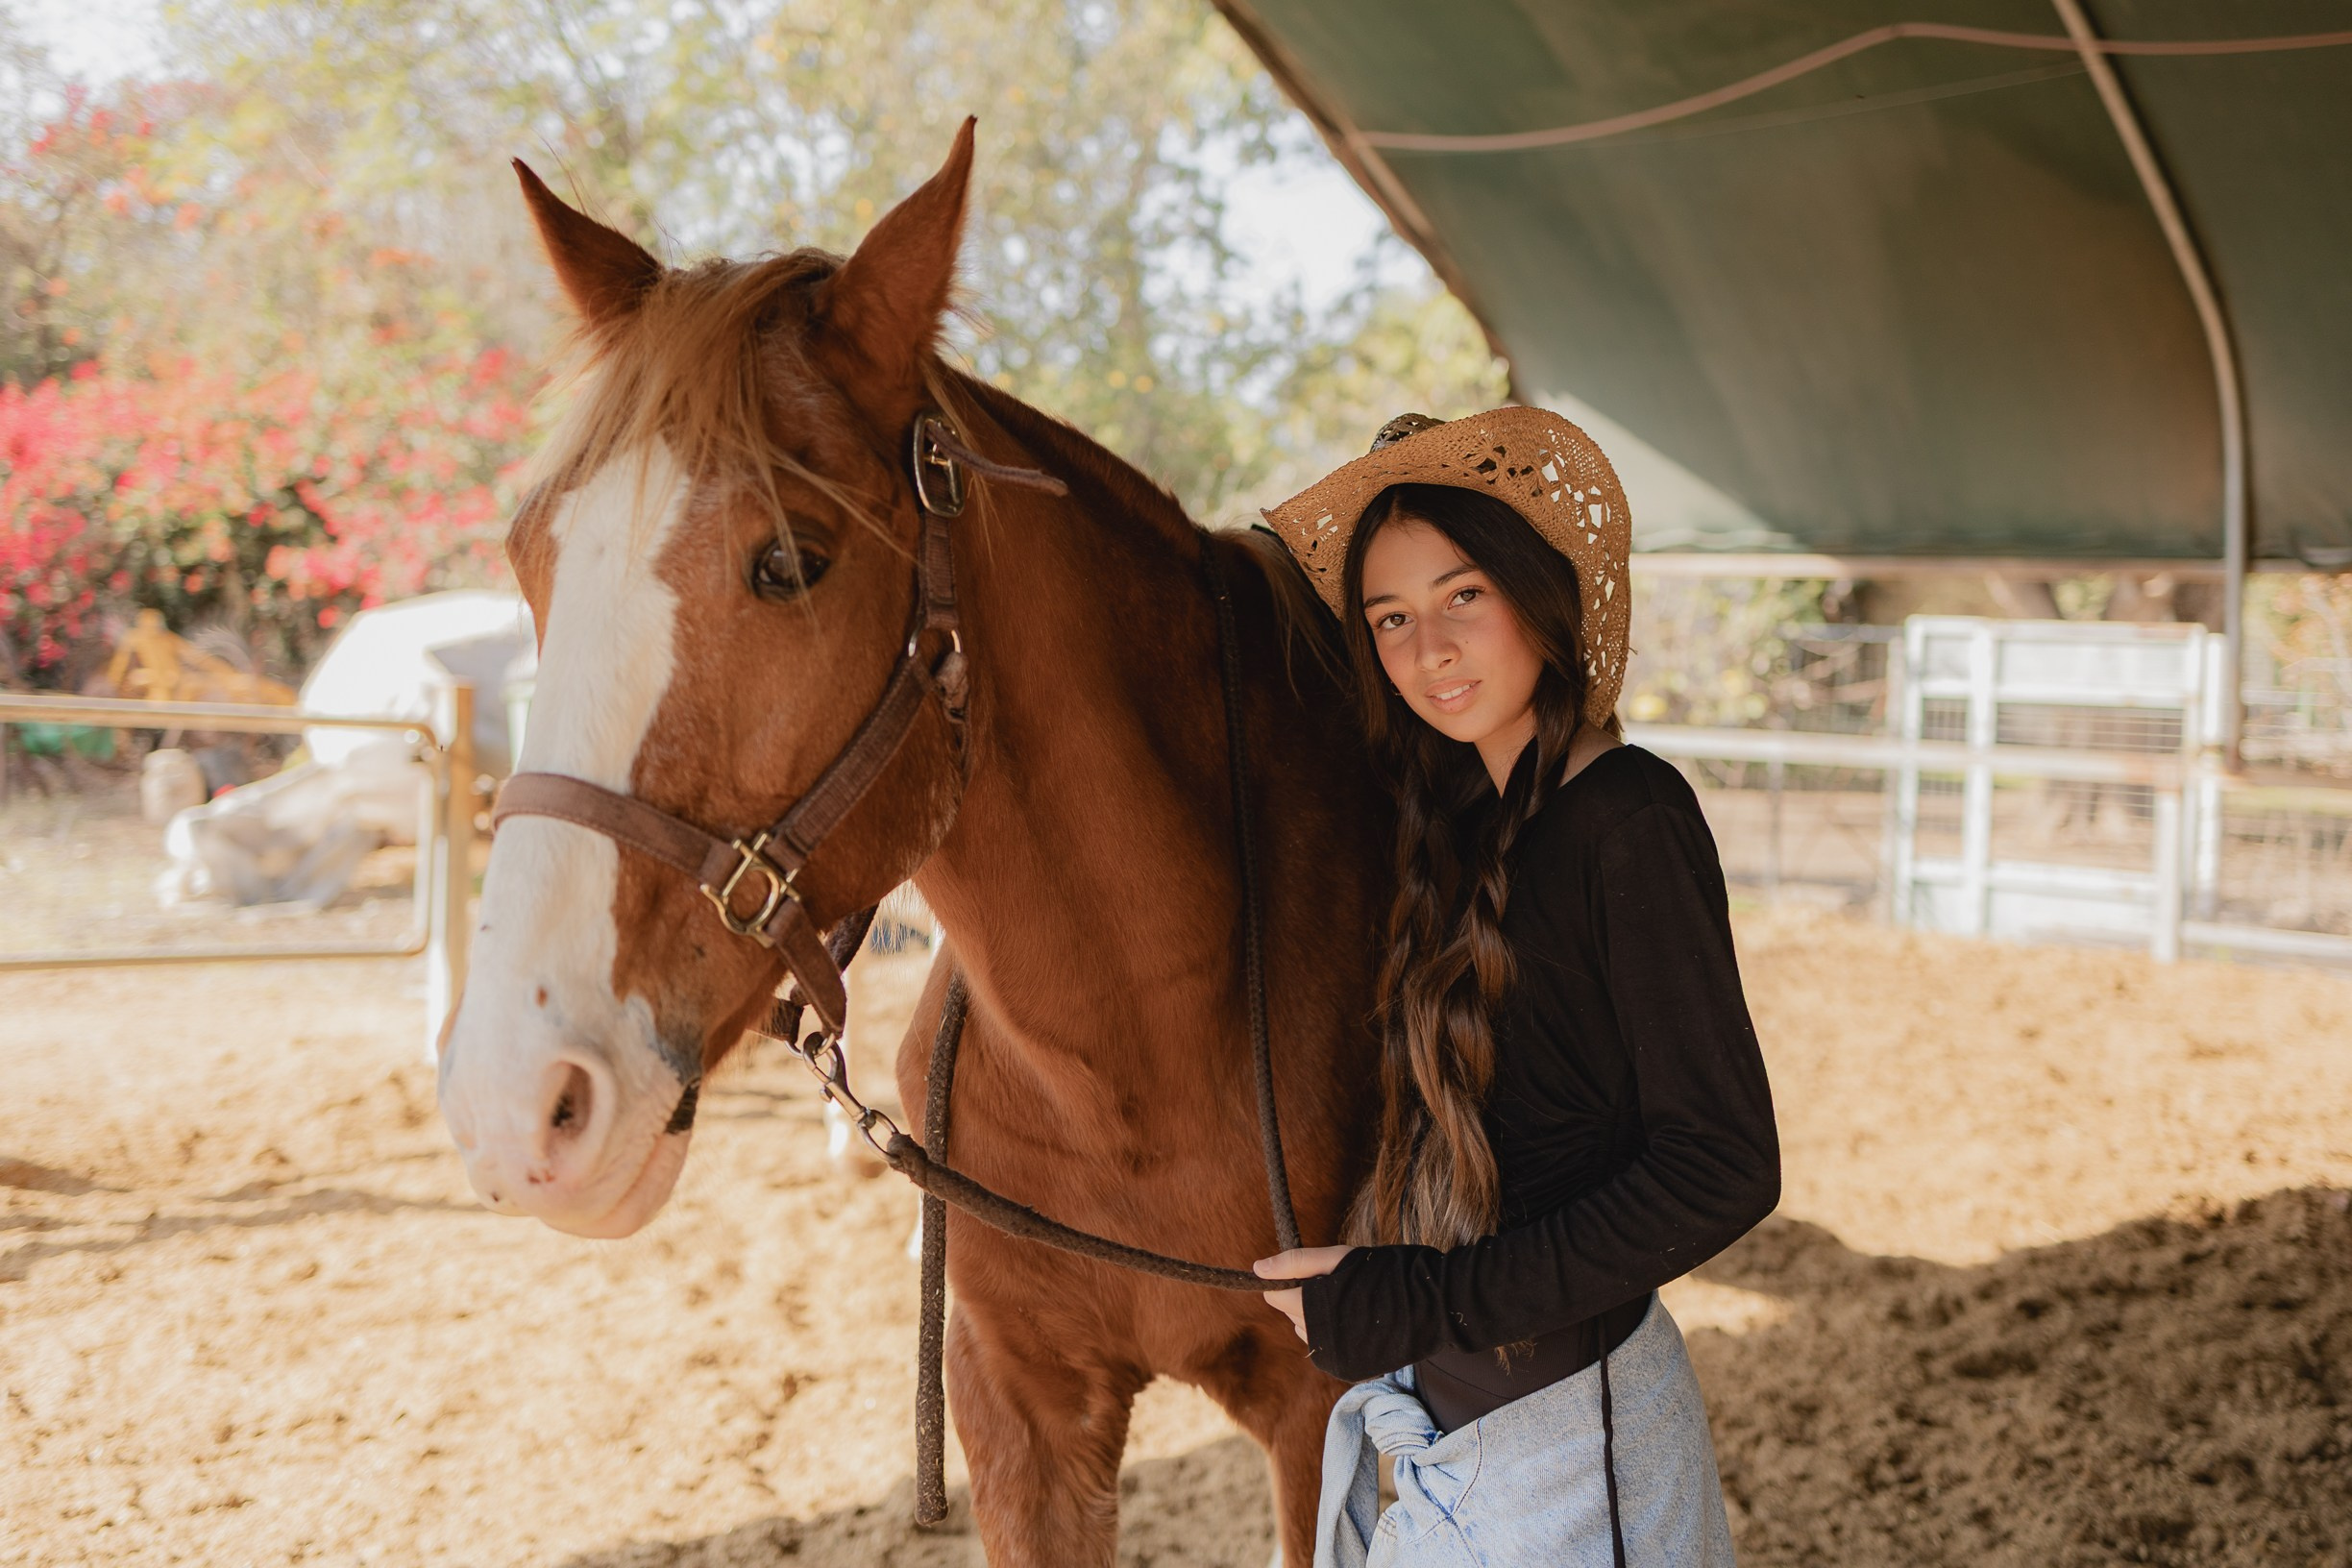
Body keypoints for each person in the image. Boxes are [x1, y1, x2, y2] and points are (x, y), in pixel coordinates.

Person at [1250, 409, 1779, 1567]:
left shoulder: (1630, 819)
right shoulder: (1459, 830)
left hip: (1577, 1466)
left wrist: (1426, 1300)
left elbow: (1724, 1166)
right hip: (1451, 1449)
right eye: (1391, 619)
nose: (1428, 648)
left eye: (1463, 597)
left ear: (1541, 595)